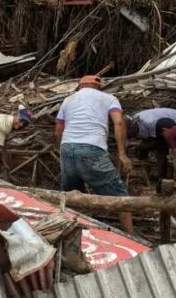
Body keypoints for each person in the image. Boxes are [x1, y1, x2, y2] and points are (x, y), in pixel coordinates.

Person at [55, 75, 134, 233]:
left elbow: (58, 128)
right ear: (99, 86)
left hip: (67, 147)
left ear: (80, 86)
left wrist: (62, 148)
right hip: (92, 147)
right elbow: (118, 122)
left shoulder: (68, 100)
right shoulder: (109, 98)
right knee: (120, 198)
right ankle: (132, 236)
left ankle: (74, 232)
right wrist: (122, 153)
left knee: (72, 196)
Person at [126, 108, 176, 190]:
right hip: (160, 127)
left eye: (132, 133)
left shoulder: (150, 122)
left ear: (133, 126)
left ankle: (162, 180)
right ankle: (147, 167)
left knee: (161, 152)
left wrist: (144, 146)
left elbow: (156, 141)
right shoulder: (136, 122)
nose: (133, 136)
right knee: (144, 147)